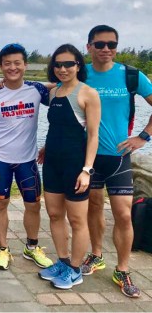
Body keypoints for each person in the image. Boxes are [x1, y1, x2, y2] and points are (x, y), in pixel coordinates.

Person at [81, 25, 152, 297]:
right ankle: (96, 254)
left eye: (111, 44)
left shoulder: (131, 75)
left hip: (119, 156)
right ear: (89, 46)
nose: (106, 49)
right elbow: (56, 92)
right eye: (99, 44)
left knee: (123, 214)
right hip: (88, 156)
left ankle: (122, 269)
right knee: (94, 206)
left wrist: (143, 137)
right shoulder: (81, 73)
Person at [0, 43, 53, 270]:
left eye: (17, 63)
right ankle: (3, 249)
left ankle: (32, 247)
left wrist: (50, 143)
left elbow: (64, 89)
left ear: (25, 65)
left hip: (27, 160)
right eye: (7, 64)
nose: (13, 68)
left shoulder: (36, 90)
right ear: (1, 66)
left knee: (33, 205)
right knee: (0, 204)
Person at [38, 44, 101, 290]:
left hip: (75, 164)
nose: (62, 69)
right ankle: (63, 261)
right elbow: (57, 127)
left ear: (78, 65)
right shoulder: (54, 92)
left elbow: (93, 135)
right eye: (58, 65)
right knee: (55, 215)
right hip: (52, 162)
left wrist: (87, 170)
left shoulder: (88, 94)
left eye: (68, 64)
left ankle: (75, 269)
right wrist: (46, 147)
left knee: (76, 219)